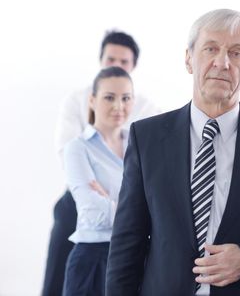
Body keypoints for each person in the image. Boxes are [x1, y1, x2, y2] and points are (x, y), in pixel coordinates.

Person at [105, 9, 240, 296]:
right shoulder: (147, 138)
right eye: (211, 49)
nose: (223, 62)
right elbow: (126, 243)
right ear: (189, 59)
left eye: (236, 53)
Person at [42, 31, 160, 296]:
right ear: (100, 60)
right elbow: (69, 152)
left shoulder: (145, 107)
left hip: (127, 239)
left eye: (124, 61)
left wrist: (115, 202)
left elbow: (156, 178)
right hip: (77, 204)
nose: (116, 65)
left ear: (133, 66)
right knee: (55, 279)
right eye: (111, 59)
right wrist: (131, 208)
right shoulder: (77, 99)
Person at [62, 66, 134, 295]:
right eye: (109, 98)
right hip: (92, 261)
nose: (118, 106)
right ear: (92, 100)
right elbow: (91, 210)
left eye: (126, 98)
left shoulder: (139, 146)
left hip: (132, 258)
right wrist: (133, 212)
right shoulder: (77, 148)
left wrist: (112, 204)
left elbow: (156, 204)